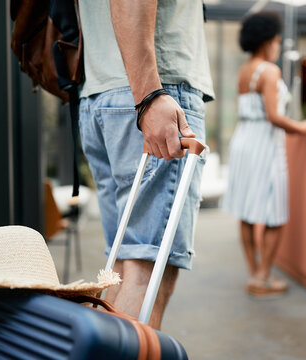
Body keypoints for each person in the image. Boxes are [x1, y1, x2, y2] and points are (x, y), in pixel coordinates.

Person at [77, 0, 214, 329]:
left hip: (101, 95)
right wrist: (148, 95)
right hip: (153, 92)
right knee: (144, 268)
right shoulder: (150, 95)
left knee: (123, 266)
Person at [222, 11, 306, 296]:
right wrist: (303, 127)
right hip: (264, 143)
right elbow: (274, 116)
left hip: (243, 141)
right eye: (276, 39)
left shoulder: (245, 69)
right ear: (268, 41)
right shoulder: (270, 71)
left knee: (247, 212)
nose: (278, 43)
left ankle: (254, 274)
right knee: (275, 212)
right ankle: (263, 278)